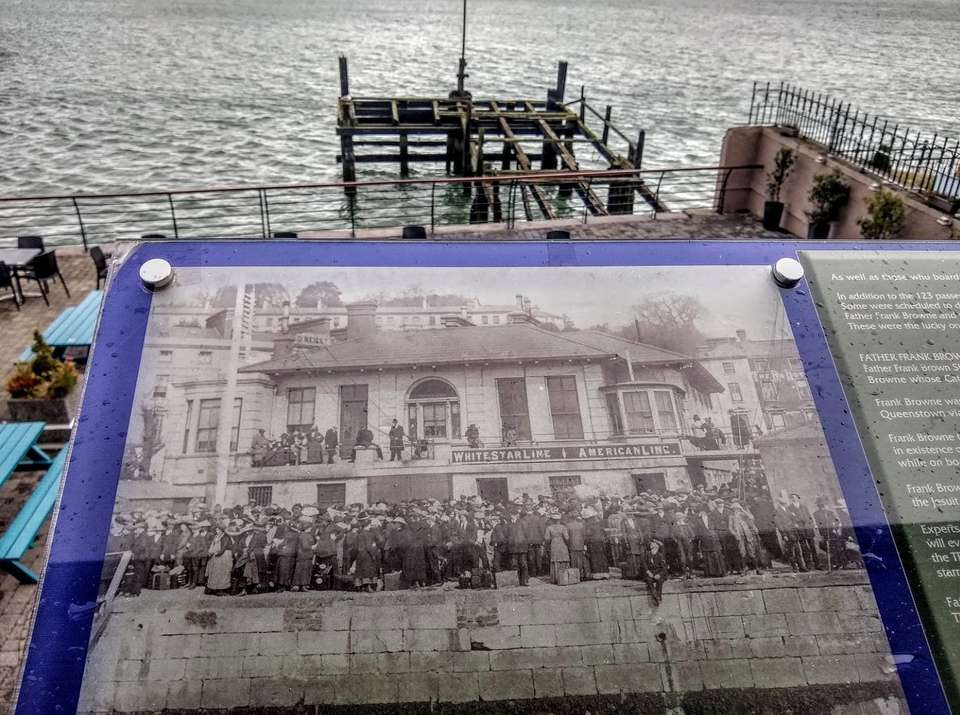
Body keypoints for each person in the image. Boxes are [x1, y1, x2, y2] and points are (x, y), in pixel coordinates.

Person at [543, 511, 570, 583]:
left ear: (551, 520)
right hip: (562, 543)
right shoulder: (563, 527)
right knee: (563, 559)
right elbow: (567, 537)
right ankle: (564, 577)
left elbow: (547, 538)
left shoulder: (549, 528)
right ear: (559, 520)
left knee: (555, 560)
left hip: (554, 543)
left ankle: (555, 578)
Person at [506, 509, 529, 586]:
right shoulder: (508, 524)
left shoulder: (522, 522)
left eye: (513, 514)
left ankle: (525, 580)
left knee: (523, 564)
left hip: (521, 546)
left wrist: (524, 542)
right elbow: (507, 534)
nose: (511, 516)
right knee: (514, 564)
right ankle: (517, 581)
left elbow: (526, 534)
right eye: (511, 514)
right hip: (512, 547)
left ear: (517, 515)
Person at [643, 538, 669, 606]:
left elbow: (664, 567)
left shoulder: (660, 556)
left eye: (652, 544)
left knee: (660, 581)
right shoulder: (647, 554)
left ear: (656, 547)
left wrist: (659, 575)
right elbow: (644, 564)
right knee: (649, 581)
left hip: (658, 573)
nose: (651, 545)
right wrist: (648, 572)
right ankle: (656, 595)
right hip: (650, 572)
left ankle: (657, 597)